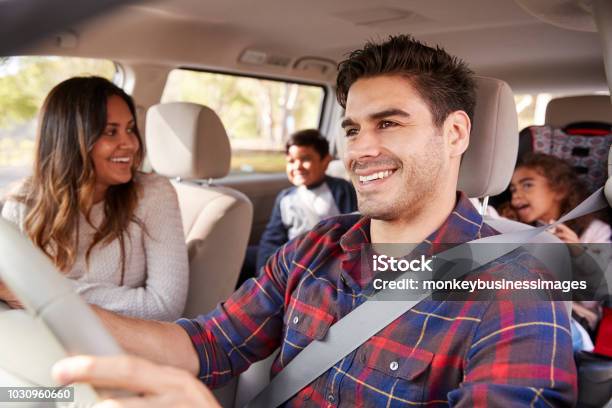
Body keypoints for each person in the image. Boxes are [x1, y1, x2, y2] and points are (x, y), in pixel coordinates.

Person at [52, 36, 576, 407]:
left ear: (456, 133)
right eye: (351, 130)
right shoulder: (315, 248)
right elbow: (206, 344)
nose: (361, 151)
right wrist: (51, 303)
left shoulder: (517, 287)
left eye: (389, 123)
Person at [0, 76, 188, 321]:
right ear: (70, 141)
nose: (130, 143)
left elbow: (164, 306)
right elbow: (7, 292)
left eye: (130, 129)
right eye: (111, 132)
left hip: (123, 350)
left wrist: (43, 293)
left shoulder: (152, 194)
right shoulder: (23, 203)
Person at [508, 152, 611, 351]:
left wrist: (578, 253)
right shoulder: (512, 229)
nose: (516, 195)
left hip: (574, 317)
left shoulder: (594, 231)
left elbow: (594, 298)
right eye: (512, 189)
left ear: (559, 190)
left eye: (527, 185)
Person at [256, 128, 357, 269]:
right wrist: (265, 269)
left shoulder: (341, 189)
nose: (297, 166)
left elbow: (353, 230)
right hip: (292, 262)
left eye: (305, 159)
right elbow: (272, 239)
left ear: (325, 161)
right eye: (291, 161)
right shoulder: (285, 198)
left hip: (327, 261)